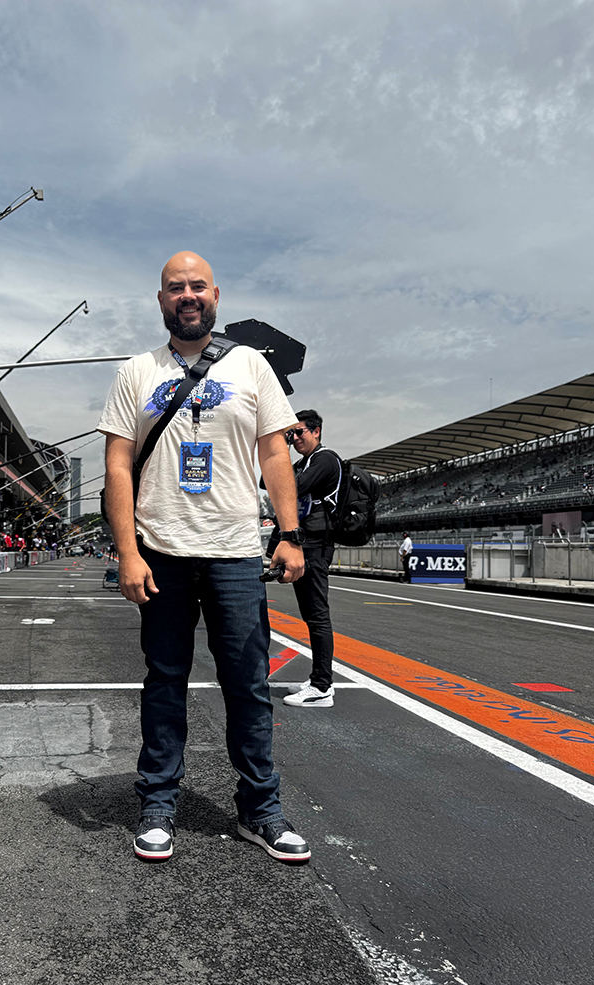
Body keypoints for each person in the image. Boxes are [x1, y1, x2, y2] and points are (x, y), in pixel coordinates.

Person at [99, 250, 311, 864]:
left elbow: (275, 453)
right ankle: (159, 802)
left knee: (247, 684)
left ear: (216, 295)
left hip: (235, 552)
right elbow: (117, 464)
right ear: (160, 300)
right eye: (175, 288)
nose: (187, 296)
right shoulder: (137, 371)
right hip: (161, 550)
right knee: (164, 681)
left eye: (197, 286)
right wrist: (127, 551)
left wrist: (289, 533)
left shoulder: (251, 366)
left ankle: (260, 810)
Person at [274, 409, 342, 709]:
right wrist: (282, 450)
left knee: (317, 616)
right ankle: (318, 679)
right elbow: (269, 484)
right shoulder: (305, 462)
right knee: (311, 616)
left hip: (315, 545)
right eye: (292, 433)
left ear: (317, 431)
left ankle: (322, 687)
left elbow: (292, 487)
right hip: (306, 544)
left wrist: (281, 458)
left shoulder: (325, 459)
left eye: (300, 432)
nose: (295, 437)